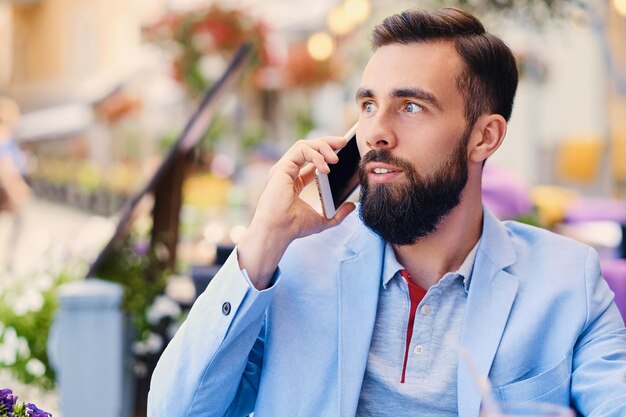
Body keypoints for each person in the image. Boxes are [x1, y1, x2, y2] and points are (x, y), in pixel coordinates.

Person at [148, 8, 626, 417]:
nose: (374, 132)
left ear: (486, 137)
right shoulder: (294, 266)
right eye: (369, 104)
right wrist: (264, 239)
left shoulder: (566, 283)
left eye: (411, 106)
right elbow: (178, 409)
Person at [0, 97, 31, 268]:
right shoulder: (3, 135)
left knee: (18, 222)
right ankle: (9, 260)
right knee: (19, 221)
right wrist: (16, 188)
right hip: (4, 188)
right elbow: (6, 165)